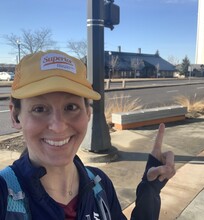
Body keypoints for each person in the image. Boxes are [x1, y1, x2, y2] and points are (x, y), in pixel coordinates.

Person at [0, 50, 175, 220]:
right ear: (15, 117)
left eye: (71, 107)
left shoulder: (99, 185)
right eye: (39, 109)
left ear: (88, 114)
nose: (59, 126)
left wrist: (149, 190)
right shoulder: (3, 194)